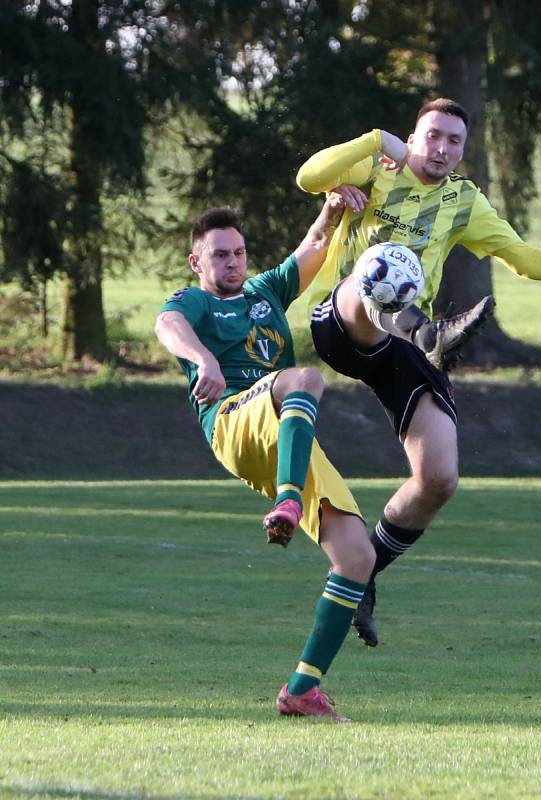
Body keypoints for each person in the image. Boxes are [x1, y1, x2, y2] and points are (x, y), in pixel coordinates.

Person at [296, 98, 541, 648]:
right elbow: (308, 177)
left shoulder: (462, 201)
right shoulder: (375, 168)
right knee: (380, 269)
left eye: (455, 142)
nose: (443, 149)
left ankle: (363, 571)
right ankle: (428, 334)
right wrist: (375, 139)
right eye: (434, 136)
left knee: (439, 479)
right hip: (341, 320)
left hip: (401, 342)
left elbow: (524, 257)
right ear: (412, 138)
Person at [154, 193, 375, 723]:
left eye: (239, 253)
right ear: (196, 262)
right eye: (219, 255)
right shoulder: (195, 303)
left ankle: (302, 690)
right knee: (307, 378)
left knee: (357, 557)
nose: (232, 263)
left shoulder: (265, 291)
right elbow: (167, 325)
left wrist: (334, 205)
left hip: (289, 433)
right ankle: (289, 502)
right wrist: (202, 358)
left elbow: (317, 243)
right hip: (234, 421)